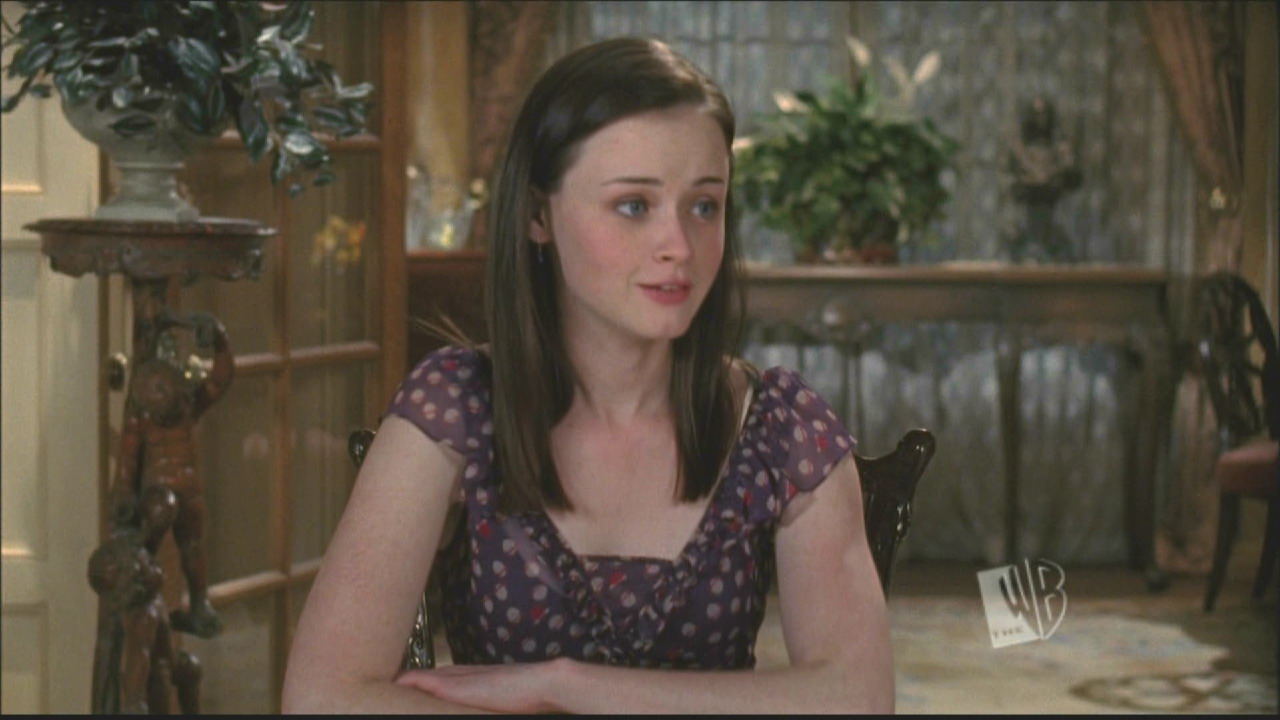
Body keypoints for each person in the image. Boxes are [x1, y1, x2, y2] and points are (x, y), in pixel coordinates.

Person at [282, 37, 893, 714]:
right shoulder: (459, 404)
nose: (679, 246)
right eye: (634, 205)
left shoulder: (779, 424)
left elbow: (859, 698)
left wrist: (565, 685)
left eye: (704, 205)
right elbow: (321, 697)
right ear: (538, 215)